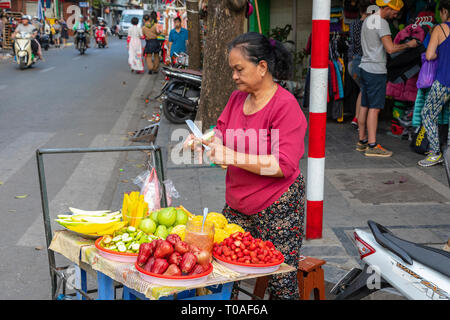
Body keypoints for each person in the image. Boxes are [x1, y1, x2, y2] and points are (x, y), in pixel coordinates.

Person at [184, 32, 307, 300]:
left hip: (279, 207)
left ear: (262, 67)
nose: (234, 76)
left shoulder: (285, 106)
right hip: (238, 205)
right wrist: (203, 140)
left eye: (239, 69)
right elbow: (222, 133)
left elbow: (282, 165)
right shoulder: (238, 99)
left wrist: (232, 157)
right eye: (232, 70)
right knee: (224, 274)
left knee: (281, 281)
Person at [357, 0, 418, 157]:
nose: (395, 15)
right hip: (376, 70)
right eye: (395, 11)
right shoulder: (381, 23)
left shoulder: (368, 20)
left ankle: (362, 141)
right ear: (389, 7)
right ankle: (372, 145)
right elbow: (390, 48)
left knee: (365, 104)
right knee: (375, 108)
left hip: (364, 67)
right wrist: (409, 45)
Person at [418, 0, 450, 167]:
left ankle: (435, 153)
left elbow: (429, 55)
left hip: (445, 79)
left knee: (428, 114)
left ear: (444, 11)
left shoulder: (440, 28)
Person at [348, 0, 371, 129]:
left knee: (363, 90)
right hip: (362, 60)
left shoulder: (353, 24)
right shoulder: (368, 26)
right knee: (365, 90)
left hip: (352, 62)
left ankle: (356, 118)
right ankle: (361, 120)